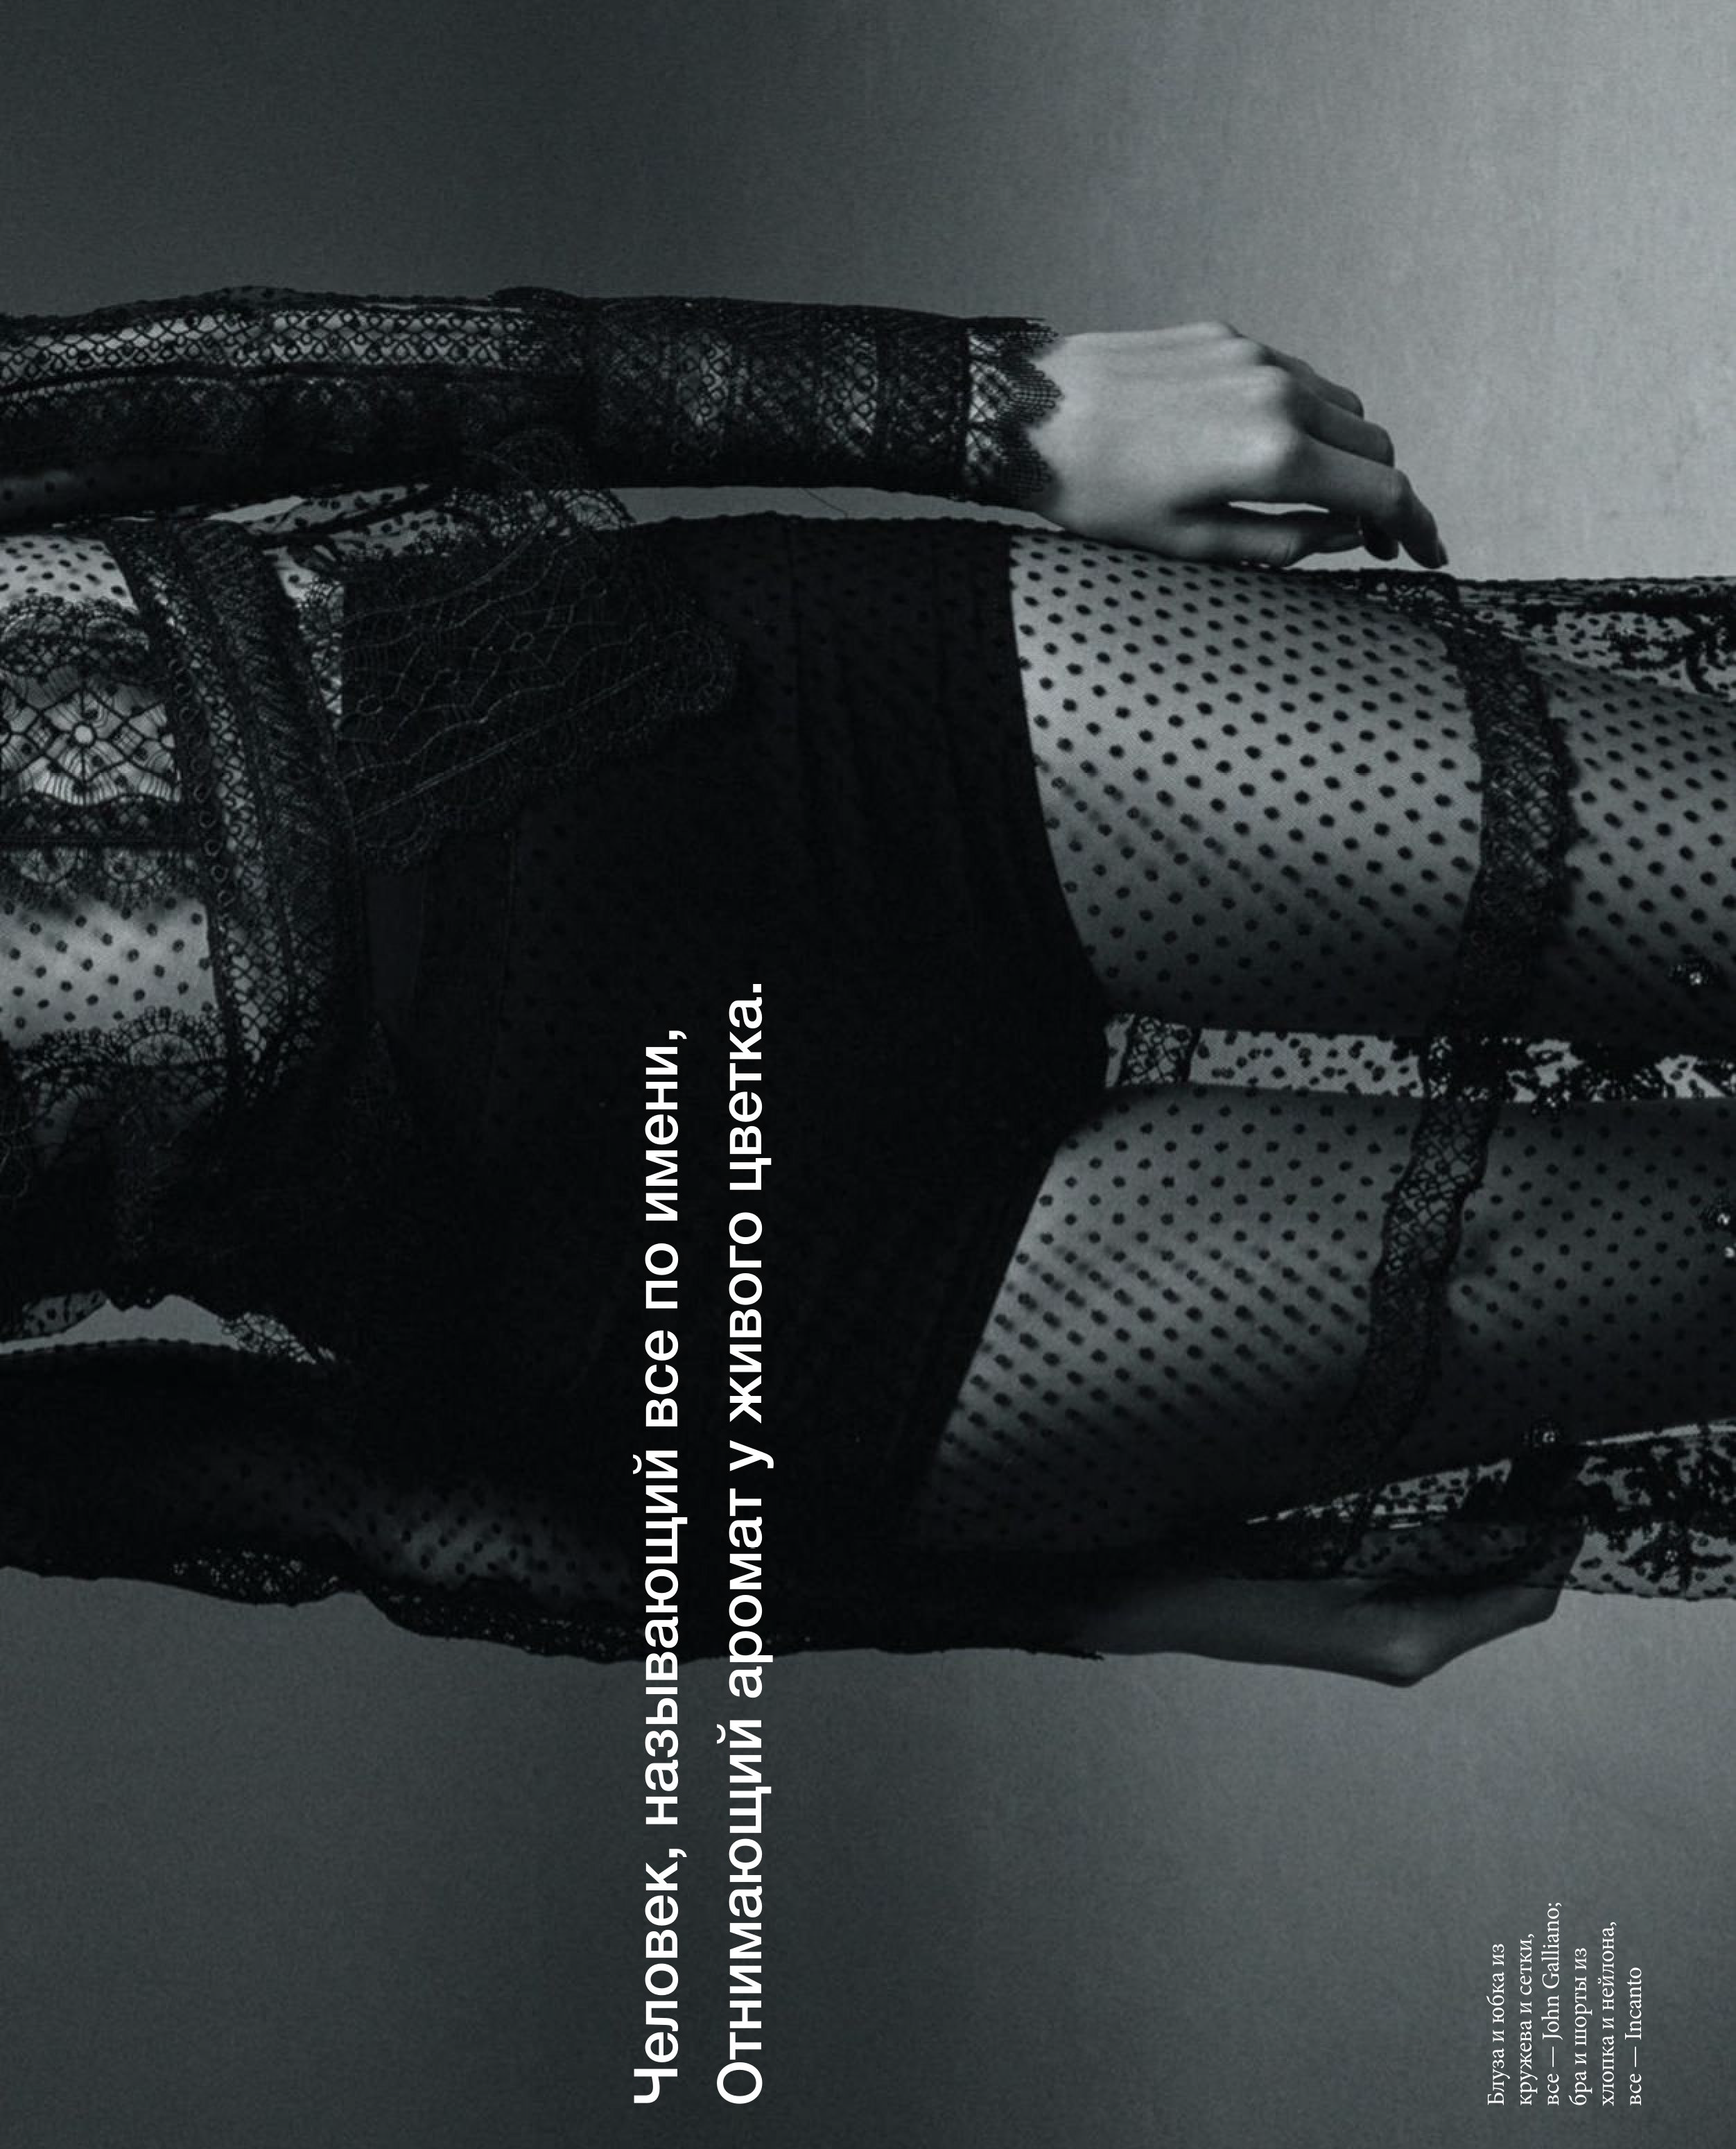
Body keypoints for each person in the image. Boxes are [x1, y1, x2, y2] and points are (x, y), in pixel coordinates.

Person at [0, 288, 1730, 1685]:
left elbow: (233, 384)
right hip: (699, 1312)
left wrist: (990, 409)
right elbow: (288, 1497)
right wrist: (1097, 1603)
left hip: (711, 729)